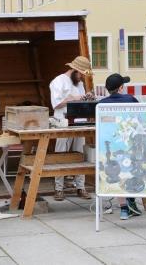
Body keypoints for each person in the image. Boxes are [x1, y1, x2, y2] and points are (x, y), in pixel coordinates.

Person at [99, 73, 146, 220]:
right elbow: (139, 119)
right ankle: (132, 203)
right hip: (130, 145)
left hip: (110, 146)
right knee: (131, 172)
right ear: (121, 87)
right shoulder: (130, 99)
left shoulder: (102, 104)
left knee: (117, 174)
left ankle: (124, 209)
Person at [49, 56, 94, 201]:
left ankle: (80, 186)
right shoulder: (58, 81)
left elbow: (79, 98)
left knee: (80, 154)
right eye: (80, 73)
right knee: (60, 154)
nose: (81, 77)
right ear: (75, 70)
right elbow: (56, 104)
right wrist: (73, 98)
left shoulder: (78, 82)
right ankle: (59, 188)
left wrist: (85, 98)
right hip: (62, 122)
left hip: (79, 122)